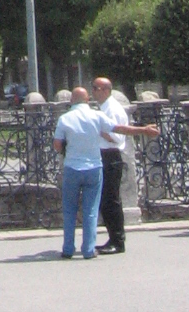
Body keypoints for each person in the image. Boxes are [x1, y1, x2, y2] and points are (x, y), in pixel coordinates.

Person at [53, 86, 159, 261]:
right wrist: (144, 130)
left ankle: (68, 249)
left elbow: (57, 145)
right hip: (94, 167)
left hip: (72, 167)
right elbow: (120, 129)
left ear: (72, 100)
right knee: (91, 210)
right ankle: (88, 249)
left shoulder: (64, 119)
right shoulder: (97, 116)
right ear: (87, 100)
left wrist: (67, 146)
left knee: (70, 209)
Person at [90, 77, 130, 254]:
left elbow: (117, 137)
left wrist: (98, 130)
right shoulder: (104, 108)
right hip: (103, 155)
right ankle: (112, 238)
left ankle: (118, 241)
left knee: (111, 200)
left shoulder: (112, 109)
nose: (93, 92)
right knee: (105, 201)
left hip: (111, 155)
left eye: (95, 88)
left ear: (105, 90)